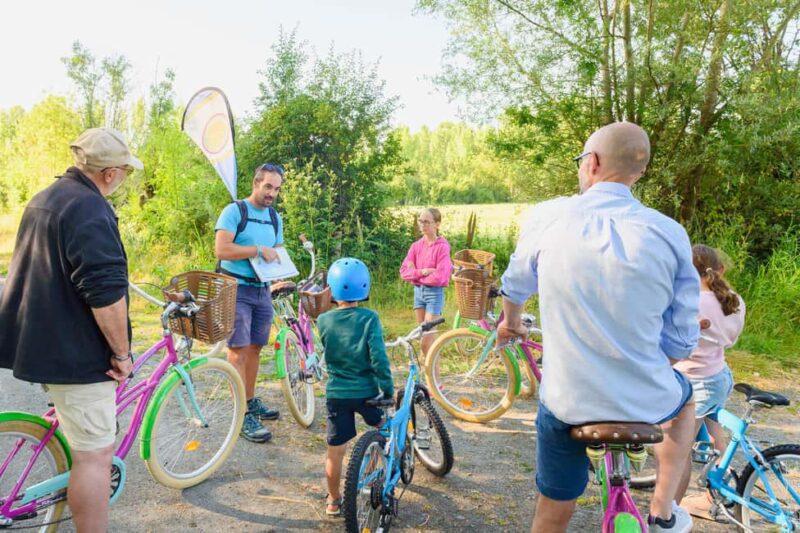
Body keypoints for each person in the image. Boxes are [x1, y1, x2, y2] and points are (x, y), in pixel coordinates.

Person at [497, 122, 700, 533]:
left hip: (569, 402)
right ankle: (662, 512)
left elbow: (515, 285)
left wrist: (511, 323)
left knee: (551, 512)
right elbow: (682, 339)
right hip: (647, 399)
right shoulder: (669, 232)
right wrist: (640, 367)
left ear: (592, 163)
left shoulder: (549, 217)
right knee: (685, 406)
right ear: (638, 173)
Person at [0, 128, 142, 532]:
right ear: (111, 173)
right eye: (125, 173)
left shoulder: (46, 198)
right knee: (96, 456)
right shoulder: (90, 209)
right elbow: (106, 295)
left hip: (42, 344)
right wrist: (121, 354)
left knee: (82, 437)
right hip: (74, 356)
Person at [316, 257, 394, 517]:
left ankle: (333, 500)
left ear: (332, 290)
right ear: (365, 287)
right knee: (384, 429)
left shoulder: (324, 321)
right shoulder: (370, 318)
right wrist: (388, 389)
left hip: (337, 394)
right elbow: (379, 359)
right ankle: (372, 470)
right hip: (367, 393)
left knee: (335, 450)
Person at [214, 163, 285, 443]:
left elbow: (276, 252)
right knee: (238, 350)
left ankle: (250, 400)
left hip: (262, 291)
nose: (272, 194)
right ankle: (240, 414)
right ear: (256, 183)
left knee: (256, 348)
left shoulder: (274, 217)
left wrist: (280, 274)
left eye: (277, 189)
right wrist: (256, 250)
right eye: (268, 186)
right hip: (236, 289)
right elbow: (221, 250)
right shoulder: (235, 211)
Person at [676, 244, 746, 515]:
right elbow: (730, 338)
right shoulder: (735, 300)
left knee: (678, 453)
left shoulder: (690, 302)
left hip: (695, 383)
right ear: (720, 269)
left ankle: (671, 511)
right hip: (718, 377)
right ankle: (718, 493)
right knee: (718, 441)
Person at [399, 207, 453, 354]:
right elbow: (404, 272)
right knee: (424, 338)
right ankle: (429, 374)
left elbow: (441, 277)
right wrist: (422, 271)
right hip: (418, 294)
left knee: (426, 341)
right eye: (421, 221)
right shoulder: (415, 247)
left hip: (434, 295)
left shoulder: (442, 247)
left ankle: (431, 374)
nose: (423, 225)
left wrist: (416, 276)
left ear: (437, 224)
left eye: (427, 222)